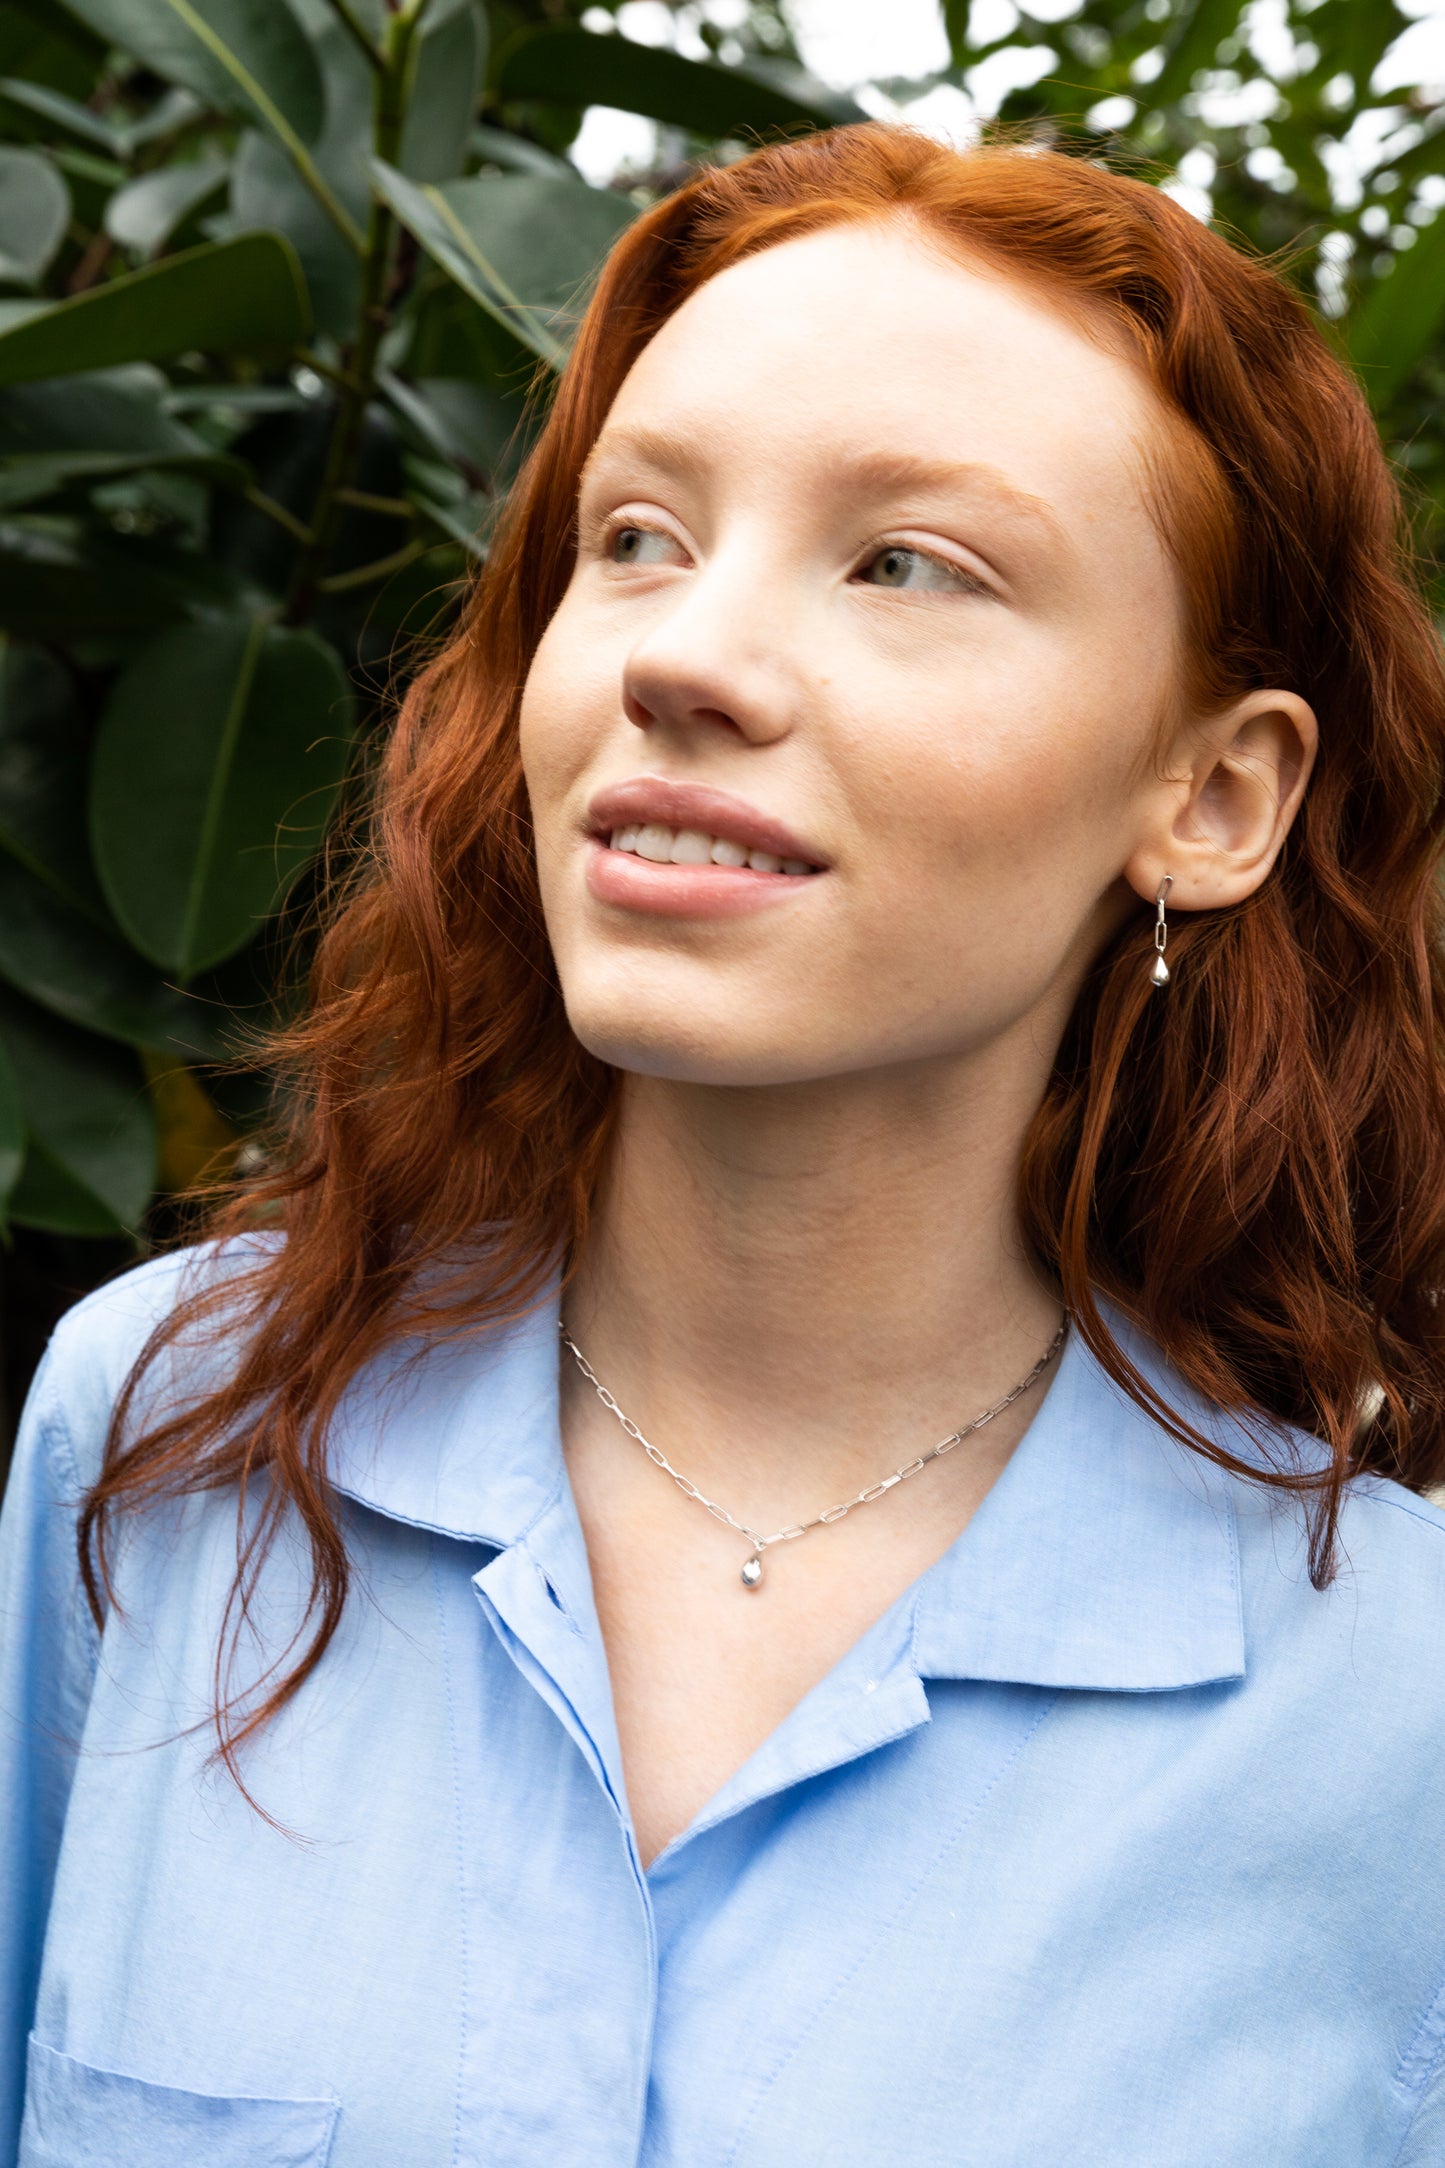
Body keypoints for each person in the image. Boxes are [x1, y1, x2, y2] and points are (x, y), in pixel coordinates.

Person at [4, 122, 1445, 2168]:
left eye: (904, 564)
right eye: (638, 535)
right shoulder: (174, 1432)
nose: (677, 657)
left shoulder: (1397, 1716)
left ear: (1213, 795)